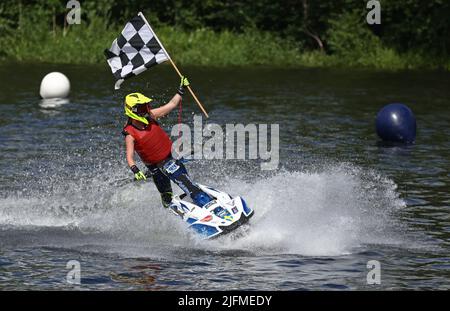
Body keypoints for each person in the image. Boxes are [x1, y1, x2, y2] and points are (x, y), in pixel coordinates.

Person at [122, 76, 213, 209]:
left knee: (186, 183)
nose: (145, 110)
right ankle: (176, 209)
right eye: (141, 108)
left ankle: (207, 204)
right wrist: (135, 170)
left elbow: (171, 105)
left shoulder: (151, 115)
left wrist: (180, 90)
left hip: (171, 159)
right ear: (132, 111)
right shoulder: (130, 133)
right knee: (166, 196)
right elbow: (129, 156)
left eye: (145, 107)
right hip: (155, 167)